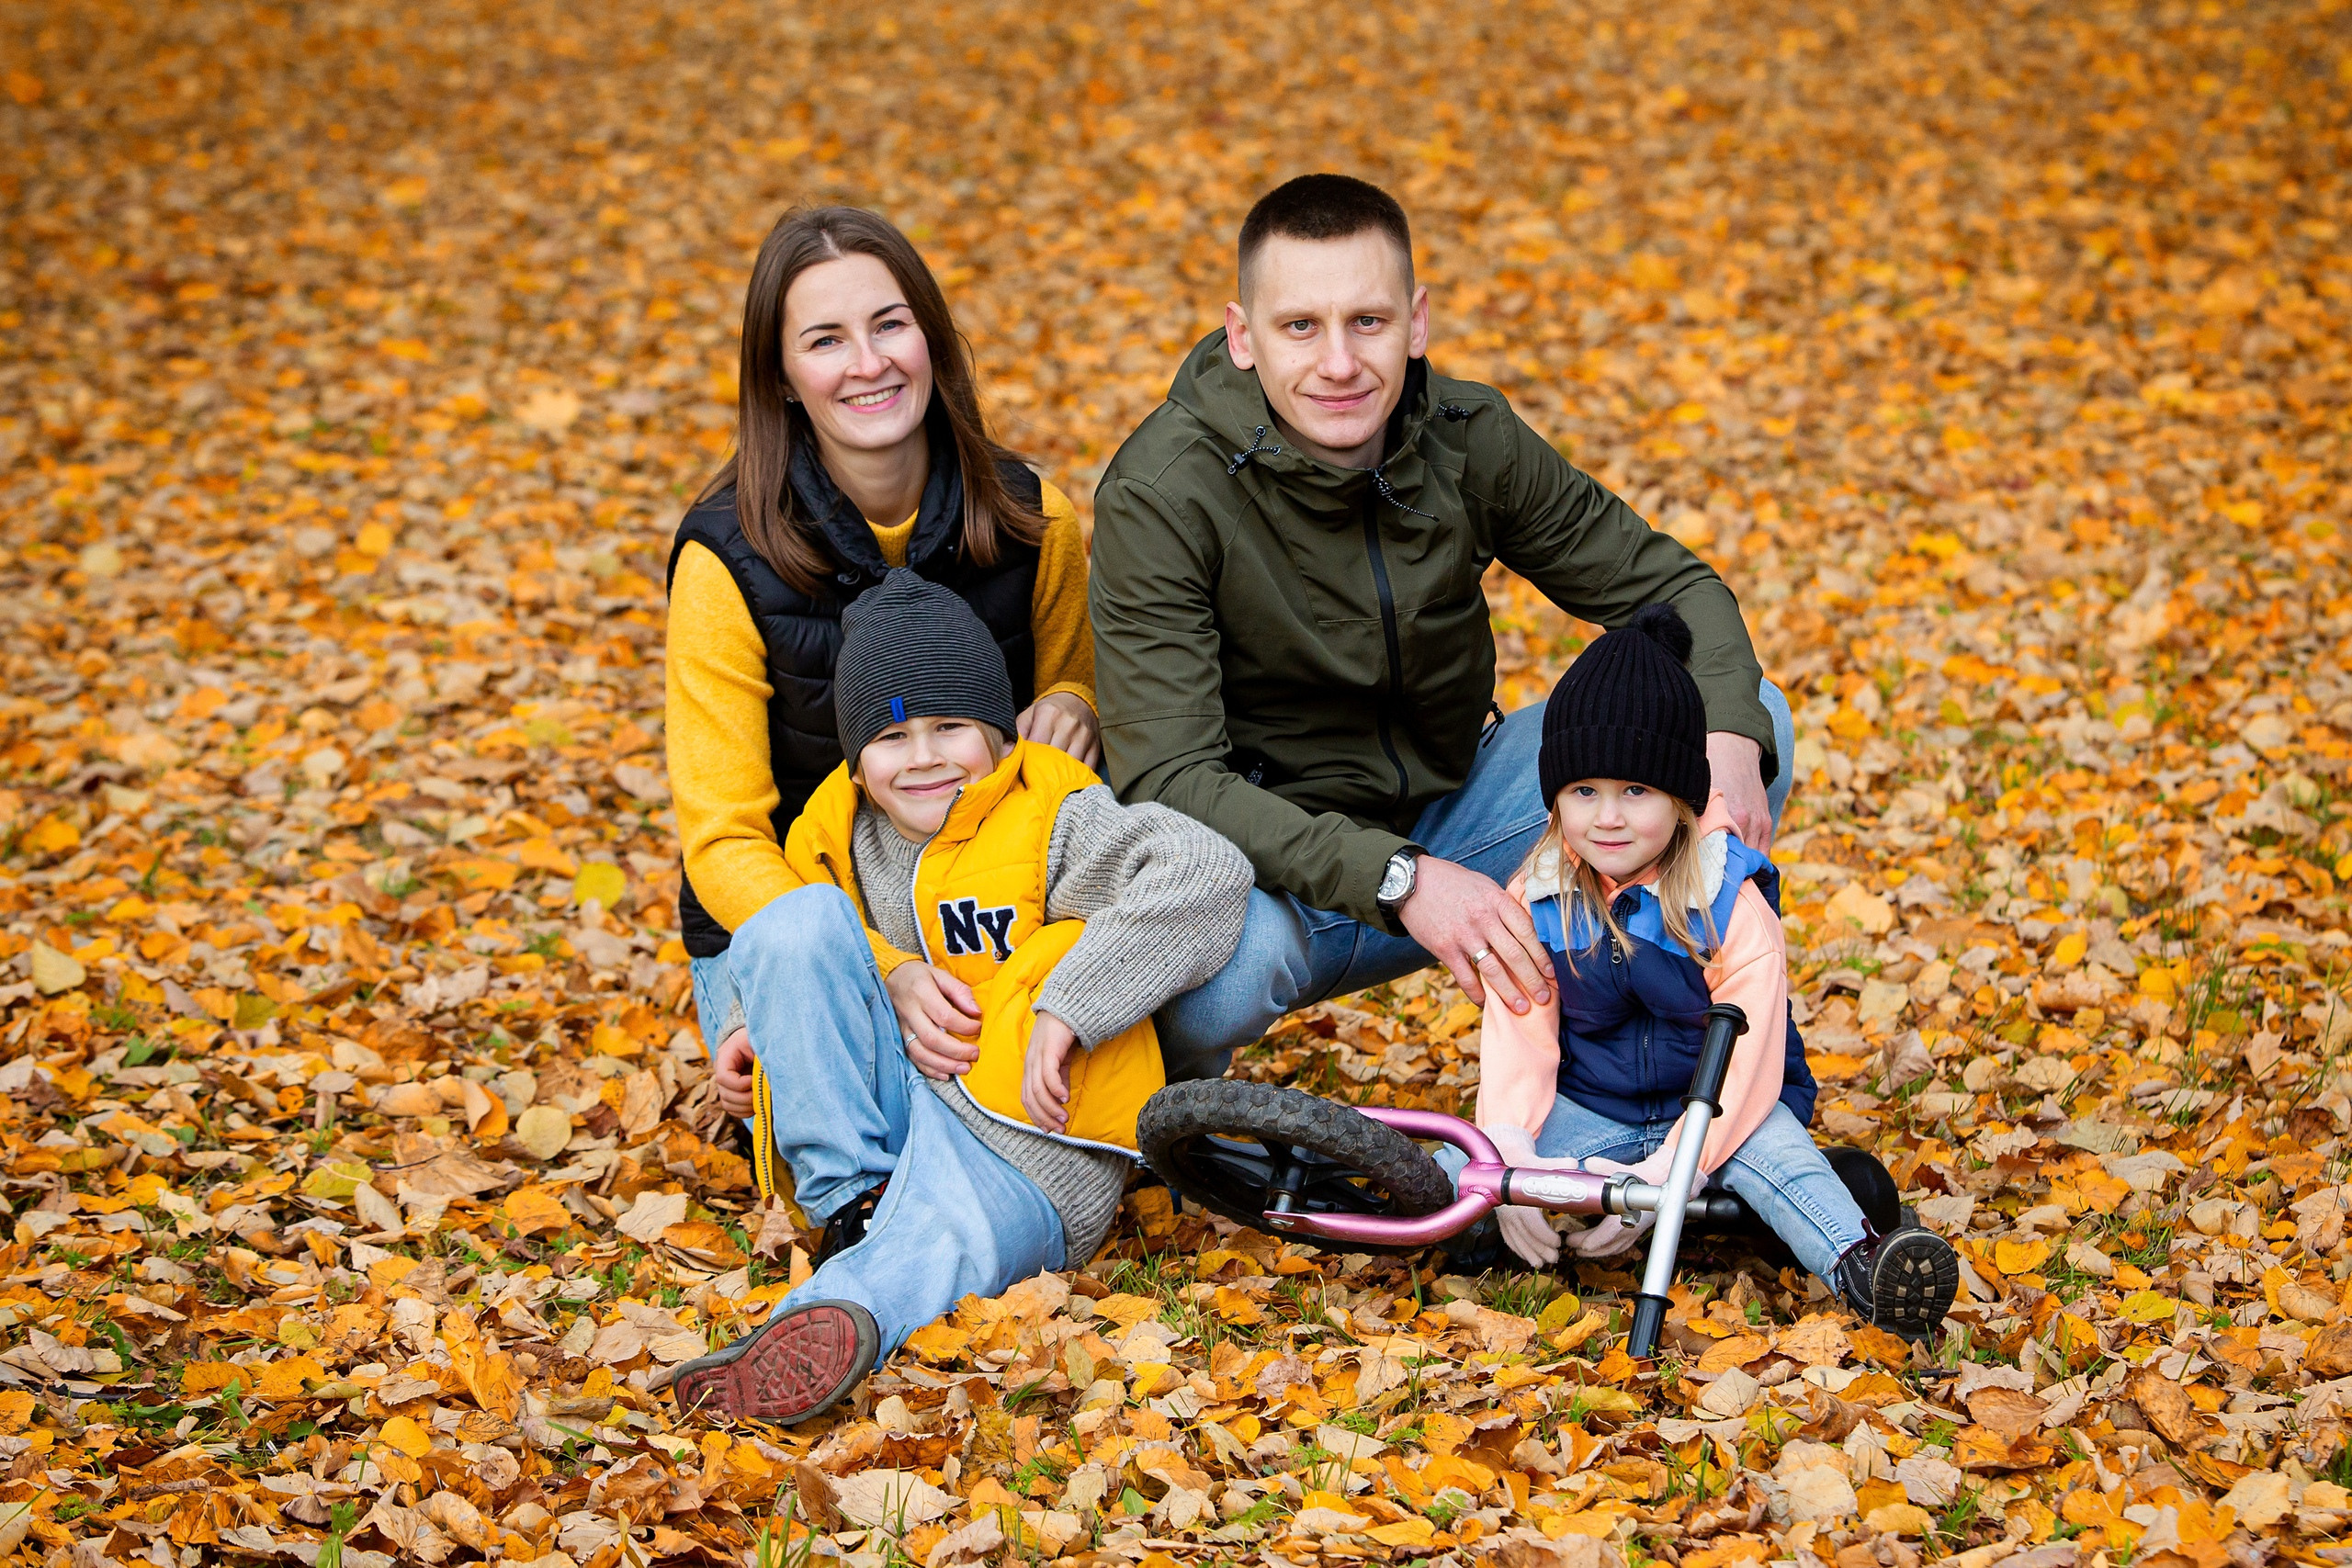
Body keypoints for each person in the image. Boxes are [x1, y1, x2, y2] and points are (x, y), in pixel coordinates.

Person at [1089, 174, 1796, 1082]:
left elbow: (1669, 584)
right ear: (1242, 337)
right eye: (1300, 326)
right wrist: (1401, 879)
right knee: (1206, 986)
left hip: (1458, 816)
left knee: (1744, 715)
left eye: (1368, 322)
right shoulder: (1163, 491)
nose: (1339, 364)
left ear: (1415, 322)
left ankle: (1639, 1054)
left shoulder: (1466, 437)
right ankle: (1175, 1116)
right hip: (1270, 880)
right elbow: (1171, 775)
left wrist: (1727, 739)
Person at [669, 571, 1253, 1423]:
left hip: (1022, 1142)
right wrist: (743, 1030)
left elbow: (1206, 872)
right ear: (858, 761)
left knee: (949, 1236)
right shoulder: (829, 832)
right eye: (893, 736)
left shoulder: (1049, 807)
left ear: (998, 733)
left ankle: (836, 1312)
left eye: (952, 727)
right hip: (878, 1121)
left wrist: (1073, 1003)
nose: (925, 757)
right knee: (792, 921)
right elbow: (788, 960)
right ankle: (852, 1206)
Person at [1470, 606, 1957, 1338]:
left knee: (1784, 1159)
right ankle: (1453, 1222)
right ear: (1555, 798)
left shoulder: (1727, 900)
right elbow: (1520, 1039)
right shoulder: (1539, 892)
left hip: (1728, 1110)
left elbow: (1752, 1057)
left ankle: (1863, 1265)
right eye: (1583, 792)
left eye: (1636, 792)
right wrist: (1511, 1166)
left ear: (1680, 797)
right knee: (1464, 1167)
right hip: (1599, 1105)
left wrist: (1666, 1178)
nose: (1607, 817)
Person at [666, 205, 1101, 990]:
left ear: (929, 338)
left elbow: (1086, 704)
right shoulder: (724, 561)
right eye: (826, 340)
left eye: (890, 326)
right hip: (792, 930)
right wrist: (877, 968)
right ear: (781, 378)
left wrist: (1078, 700)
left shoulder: (1036, 518)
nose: (868, 363)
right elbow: (724, 840)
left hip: (1002, 912)